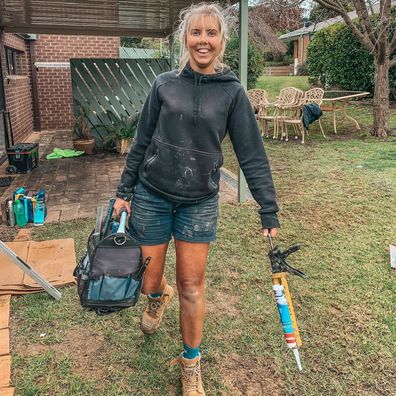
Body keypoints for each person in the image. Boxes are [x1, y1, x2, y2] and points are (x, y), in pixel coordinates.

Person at [114, 2, 279, 395]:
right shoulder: (164, 85)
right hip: (152, 195)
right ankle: (158, 297)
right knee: (147, 279)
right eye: (196, 33)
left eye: (211, 34)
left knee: (192, 285)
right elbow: (140, 142)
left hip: (198, 203)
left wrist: (267, 208)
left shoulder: (232, 93)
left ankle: (191, 363)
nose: (203, 41)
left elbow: (251, 154)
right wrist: (124, 192)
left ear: (222, 41)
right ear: (185, 38)